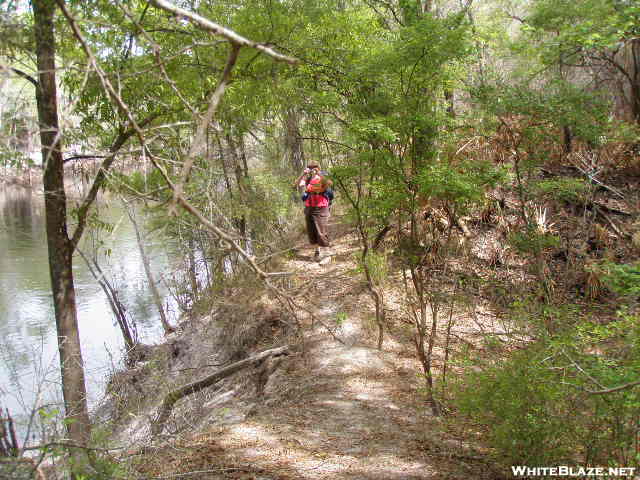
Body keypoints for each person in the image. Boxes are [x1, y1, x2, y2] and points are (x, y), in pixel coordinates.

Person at [294, 163, 333, 261]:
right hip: (309, 207)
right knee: (311, 231)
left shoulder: (323, 175)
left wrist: (318, 173)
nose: (312, 170)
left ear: (318, 168)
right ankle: (317, 252)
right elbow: (296, 184)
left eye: (314, 168)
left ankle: (327, 255)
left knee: (321, 231)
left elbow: (328, 183)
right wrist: (303, 174)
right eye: (310, 168)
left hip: (321, 207)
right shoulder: (307, 179)